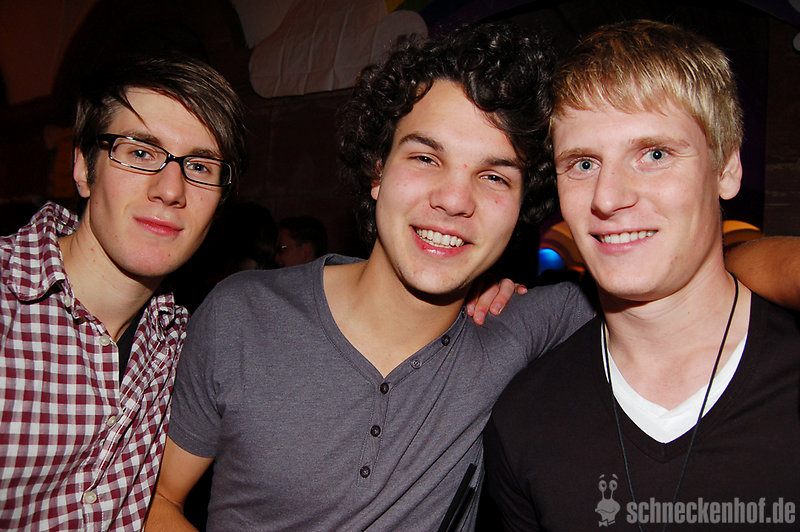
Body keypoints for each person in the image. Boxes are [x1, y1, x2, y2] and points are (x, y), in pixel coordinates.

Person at [146, 23, 595, 531]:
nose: (454, 200)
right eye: (426, 158)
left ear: (520, 205)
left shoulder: (527, 325)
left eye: (493, 176)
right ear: (378, 170)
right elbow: (158, 498)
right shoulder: (242, 314)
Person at [485, 19, 800, 530]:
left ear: (726, 168)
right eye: (583, 164)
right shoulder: (524, 417)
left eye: (654, 154)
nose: (608, 197)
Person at [0, 54, 247, 530]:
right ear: (82, 167)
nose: (170, 189)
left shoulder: (184, 345)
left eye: (199, 166)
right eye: (140, 153)